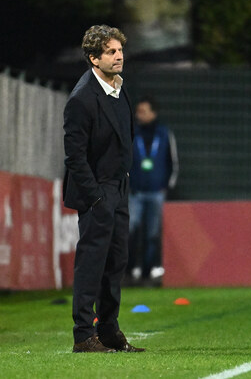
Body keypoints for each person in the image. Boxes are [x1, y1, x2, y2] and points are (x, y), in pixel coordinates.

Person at [63, 25, 144, 353]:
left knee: (116, 262)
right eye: (111, 51)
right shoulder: (82, 99)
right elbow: (74, 156)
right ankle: (84, 334)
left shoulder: (118, 87)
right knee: (92, 263)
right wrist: (96, 197)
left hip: (119, 187)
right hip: (98, 192)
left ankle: (109, 330)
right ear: (94, 58)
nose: (119, 55)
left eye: (120, 50)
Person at [127, 96, 179, 285]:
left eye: (143, 111)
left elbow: (173, 162)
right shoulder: (132, 133)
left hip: (157, 192)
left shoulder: (164, 134)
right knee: (130, 229)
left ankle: (149, 273)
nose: (139, 115)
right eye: (138, 111)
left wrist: (166, 187)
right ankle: (130, 269)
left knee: (152, 233)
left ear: (153, 113)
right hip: (135, 192)